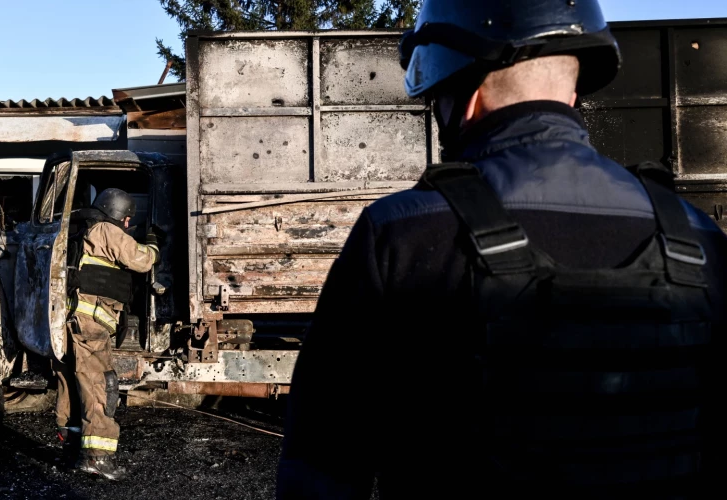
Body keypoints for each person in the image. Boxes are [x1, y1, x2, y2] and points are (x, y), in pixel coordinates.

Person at [278, 1, 725, 498]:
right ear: (574, 91)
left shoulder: (400, 235)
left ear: (463, 96)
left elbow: (322, 464)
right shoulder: (698, 238)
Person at [55, 187, 159, 481]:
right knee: (100, 385)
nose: (127, 226)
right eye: (127, 220)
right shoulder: (106, 230)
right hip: (89, 325)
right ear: (120, 217)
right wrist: (153, 244)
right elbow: (141, 260)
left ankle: (71, 449)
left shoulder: (83, 231)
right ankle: (98, 459)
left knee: (73, 385)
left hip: (69, 322)